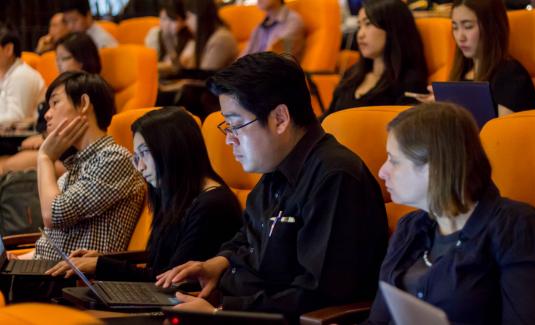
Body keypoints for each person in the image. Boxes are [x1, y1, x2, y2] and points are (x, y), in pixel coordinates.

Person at [155, 52, 389, 320]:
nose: (229, 139)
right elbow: (250, 235)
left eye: (236, 125)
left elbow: (317, 295)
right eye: (227, 126)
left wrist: (220, 313)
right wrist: (219, 264)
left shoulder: (335, 178)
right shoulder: (277, 167)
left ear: (280, 118)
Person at [363, 102, 535, 324]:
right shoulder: (409, 228)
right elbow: (377, 321)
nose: (382, 172)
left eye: (394, 160)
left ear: (435, 167)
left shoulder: (518, 228)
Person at [45, 107, 242, 281]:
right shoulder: (178, 194)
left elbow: (171, 280)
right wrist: (103, 259)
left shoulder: (213, 206)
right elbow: (158, 265)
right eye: (136, 156)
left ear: (172, 150)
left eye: (144, 153)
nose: (139, 167)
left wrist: (101, 266)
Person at [9, 71, 145, 261]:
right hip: (45, 274)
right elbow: (49, 246)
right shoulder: (74, 168)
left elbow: (54, 215)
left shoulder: (114, 158)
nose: (47, 115)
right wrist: (17, 260)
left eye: (55, 103)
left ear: (83, 104)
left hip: (75, 284)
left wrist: (45, 157)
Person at [412, 0, 535, 116]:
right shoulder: (463, 71)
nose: (460, 37)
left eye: (468, 26)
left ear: (491, 27)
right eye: (455, 27)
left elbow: (501, 135)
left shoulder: (510, 75)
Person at [1, 32, 101, 176]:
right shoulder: (63, 87)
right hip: (50, 145)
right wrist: (44, 136)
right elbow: (44, 119)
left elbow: (84, 131)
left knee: (6, 165)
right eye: (56, 59)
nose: (58, 64)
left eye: (63, 59)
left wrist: (46, 139)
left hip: (69, 154)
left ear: (82, 59)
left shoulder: (93, 89)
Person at [323, 0, 428, 118]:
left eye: (368, 24)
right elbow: (327, 117)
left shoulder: (409, 84)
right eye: (359, 26)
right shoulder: (352, 74)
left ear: (392, 28)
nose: (360, 34)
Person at [0, 24, 45, 127]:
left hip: (22, 137)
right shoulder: (4, 72)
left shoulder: (22, 75)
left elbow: (16, 117)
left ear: (8, 49)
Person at [178, 0, 238, 70]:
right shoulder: (204, 38)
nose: (187, 23)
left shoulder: (221, 39)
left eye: (189, 16)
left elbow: (202, 77)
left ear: (201, 15)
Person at [241, 0, 305, 60]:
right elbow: (244, 55)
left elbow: (276, 57)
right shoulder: (259, 28)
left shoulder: (293, 21)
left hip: (273, 69)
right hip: (254, 68)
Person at [144, 0, 192, 75]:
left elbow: (176, 67)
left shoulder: (190, 40)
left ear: (184, 21)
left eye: (172, 20)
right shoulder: (155, 34)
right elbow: (149, 62)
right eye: (163, 19)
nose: (166, 24)